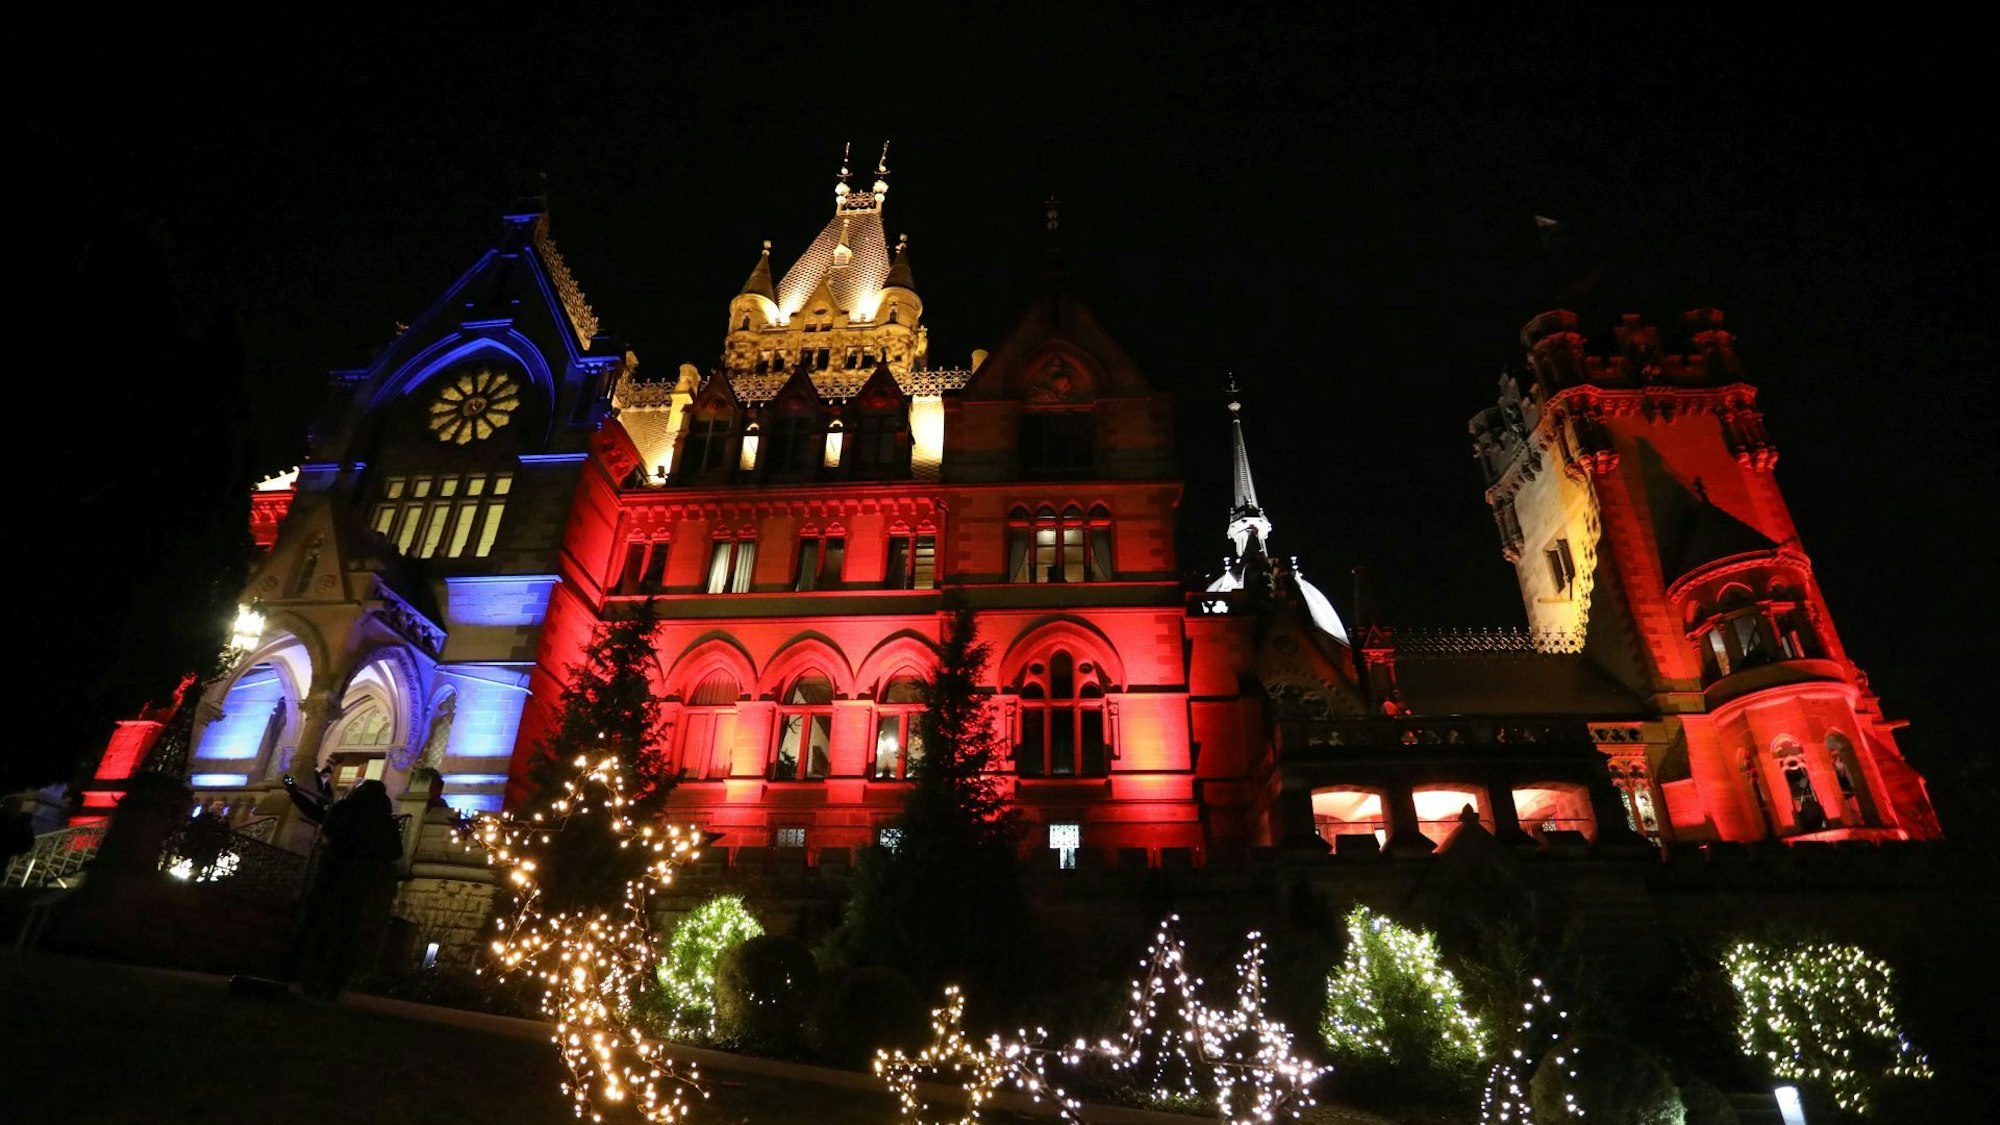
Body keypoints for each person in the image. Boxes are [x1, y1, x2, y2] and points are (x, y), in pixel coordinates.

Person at [290, 778, 405, 1000]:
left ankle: (309, 977)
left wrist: (295, 794)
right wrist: (373, 854)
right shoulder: (383, 820)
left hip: (331, 873)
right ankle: (333, 984)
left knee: (319, 925)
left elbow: (320, 816)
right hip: (359, 880)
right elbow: (395, 852)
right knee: (347, 932)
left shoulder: (344, 809)